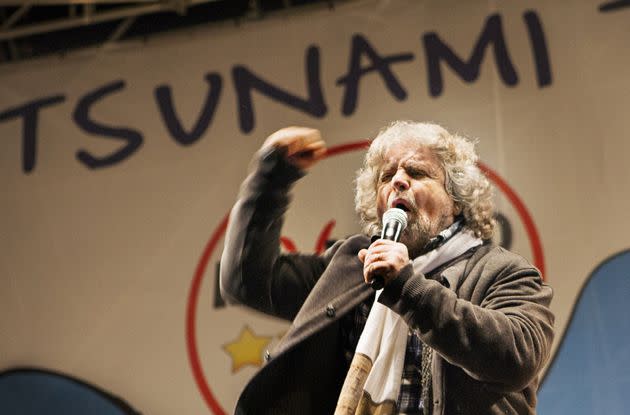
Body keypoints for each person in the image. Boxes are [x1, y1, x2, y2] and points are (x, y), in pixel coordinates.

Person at [220, 121, 554, 415]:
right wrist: (272, 177)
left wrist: (406, 287)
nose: (398, 182)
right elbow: (246, 280)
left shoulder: (502, 272)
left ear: (456, 199)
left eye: (417, 173)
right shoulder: (352, 267)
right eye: (386, 176)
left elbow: (518, 357)